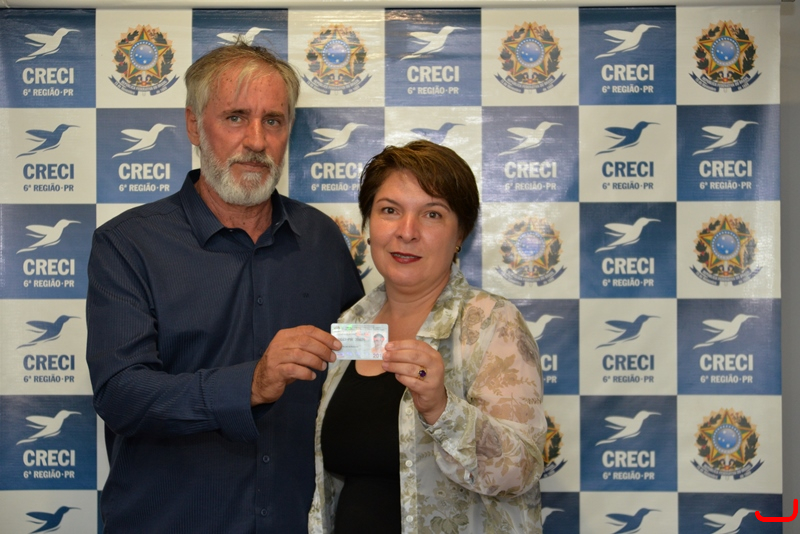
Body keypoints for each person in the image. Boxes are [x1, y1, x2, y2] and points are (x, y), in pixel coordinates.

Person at [86, 42, 364, 533]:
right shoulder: (128, 244)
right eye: (236, 117)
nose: (256, 140)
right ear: (194, 126)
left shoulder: (321, 239)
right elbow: (121, 395)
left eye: (273, 121)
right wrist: (250, 384)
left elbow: (355, 367)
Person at [309, 140, 546, 534]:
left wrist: (441, 409)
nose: (407, 232)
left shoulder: (492, 323)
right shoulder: (351, 324)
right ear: (368, 225)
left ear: (460, 234)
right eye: (389, 211)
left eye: (432, 214)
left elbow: (522, 469)